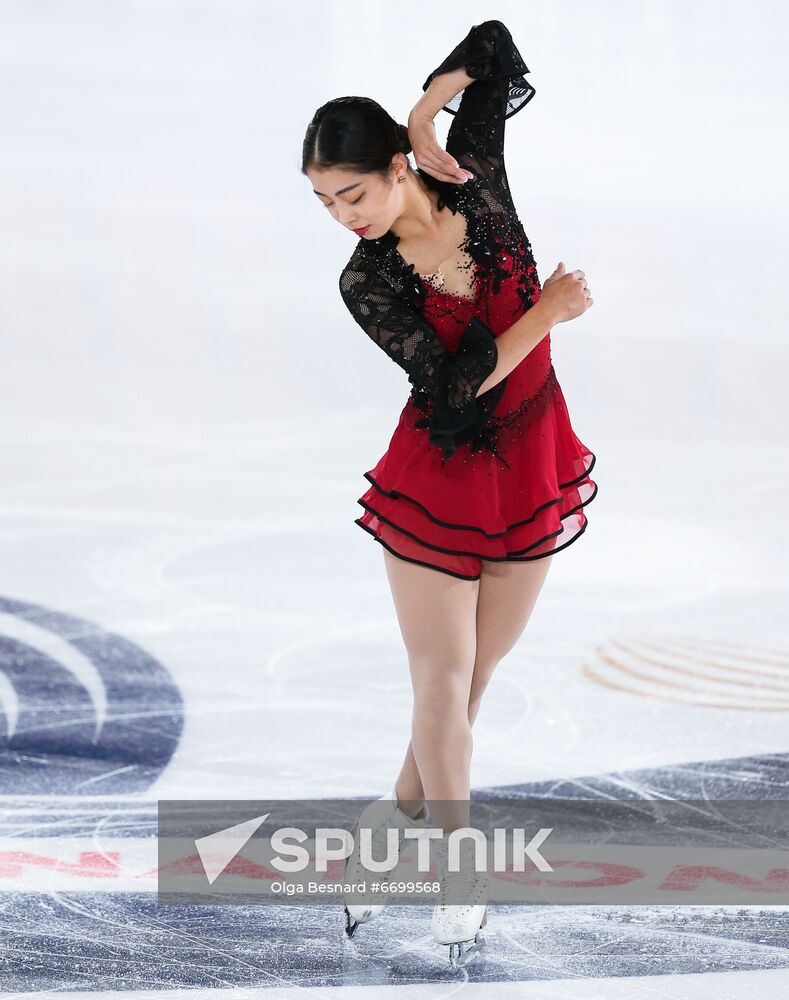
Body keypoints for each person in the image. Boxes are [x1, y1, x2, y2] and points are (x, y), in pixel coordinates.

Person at [302, 19, 596, 964]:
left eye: (352, 190)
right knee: (439, 678)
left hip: (533, 456)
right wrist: (546, 311)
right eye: (322, 201)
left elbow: (496, 42)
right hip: (437, 471)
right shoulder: (366, 279)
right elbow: (454, 386)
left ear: (397, 164)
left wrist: (428, 107)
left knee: (468, 684)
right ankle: (454, 871)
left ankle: (381, 835)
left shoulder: (473, 168)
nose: (343, 214)